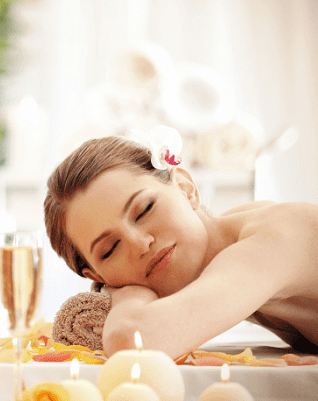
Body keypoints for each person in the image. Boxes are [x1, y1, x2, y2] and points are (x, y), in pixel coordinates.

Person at [44, 134, 318, 360]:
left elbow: (134, 343)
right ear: (97, 276)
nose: (141, 244)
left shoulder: (281, 231)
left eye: (144, 210)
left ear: (187, 189)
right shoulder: (230, 247)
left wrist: (125, 295)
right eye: (110, 249)